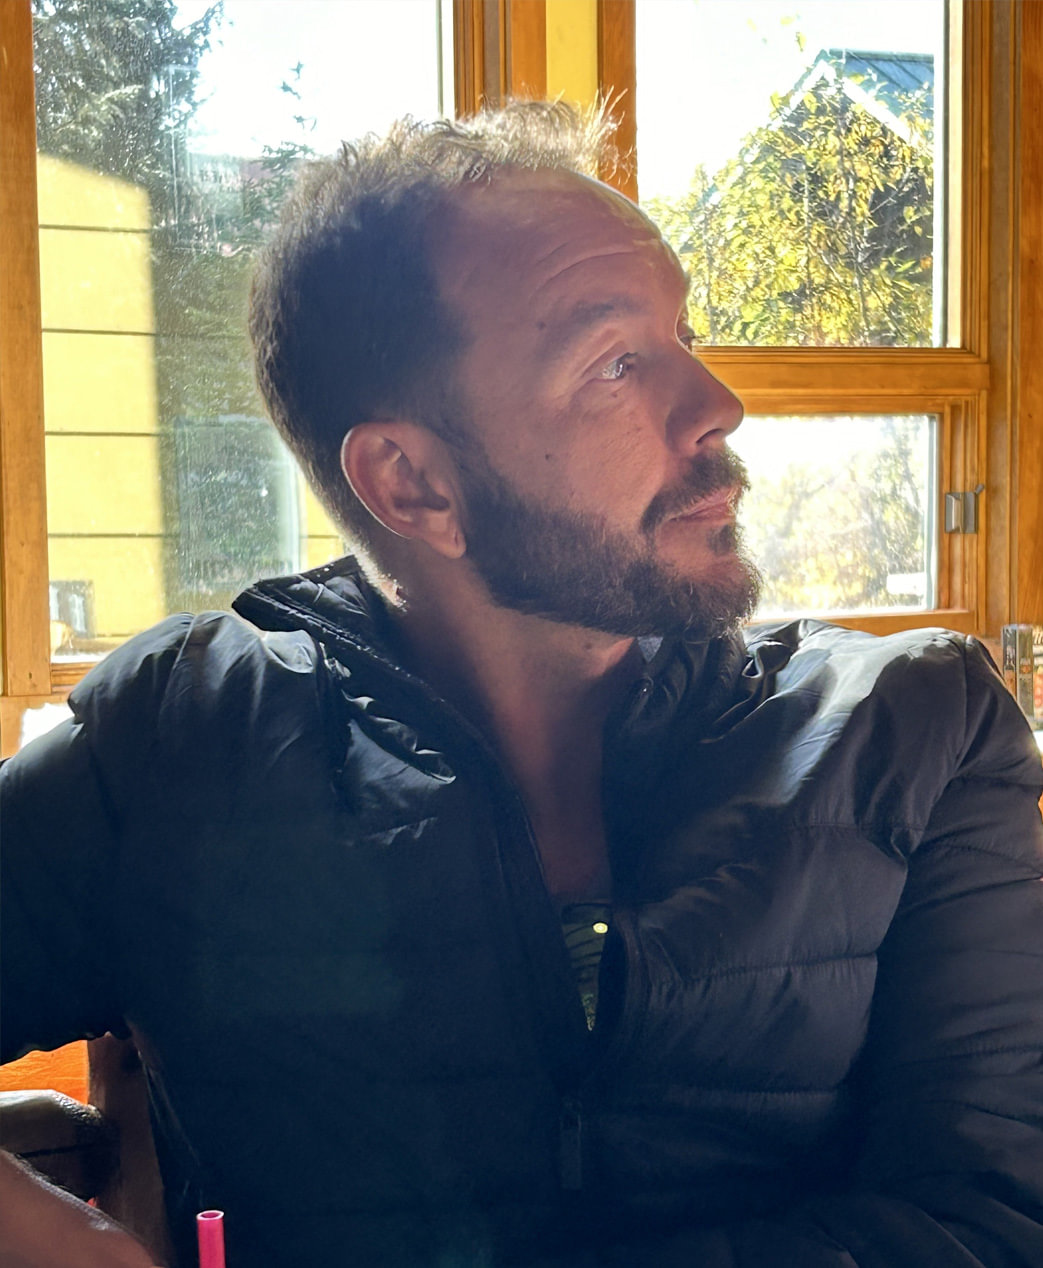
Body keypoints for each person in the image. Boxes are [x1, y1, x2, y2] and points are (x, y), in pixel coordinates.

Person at [2, 102, 1042, 1268]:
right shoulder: (186, 735)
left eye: (683, 333)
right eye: (615, 363)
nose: (716, 403)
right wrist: (80, 1248)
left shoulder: (911, 728)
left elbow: (991, 1223)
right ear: (412, 482)